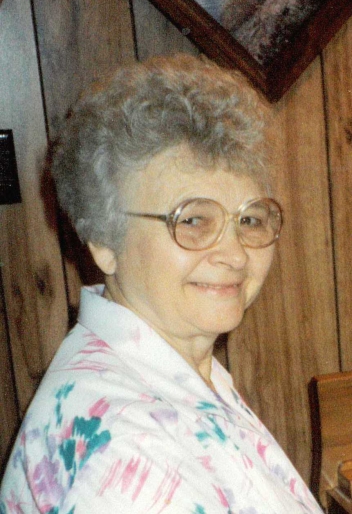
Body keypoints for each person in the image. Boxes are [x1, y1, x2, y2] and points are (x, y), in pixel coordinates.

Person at [0, 54, 323, 514]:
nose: (234, 255)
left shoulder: (169, 365)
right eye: (192, 219)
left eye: (249, 218)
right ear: (102, 238)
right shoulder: (126, 454)